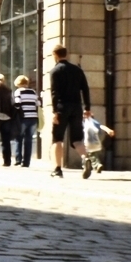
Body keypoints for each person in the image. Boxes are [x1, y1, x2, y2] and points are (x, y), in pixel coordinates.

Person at [48, 43, 93, 179]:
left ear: (55, 55)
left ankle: (57, 169)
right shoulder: (77, 70)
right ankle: (85, 158)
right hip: (76, 107)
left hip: (62, 107)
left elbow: (54, 93)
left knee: (57, 139)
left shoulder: (55, 71)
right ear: (66, 54)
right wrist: (87, 108)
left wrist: (55, 111)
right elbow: (85, 89)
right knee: (77, 139)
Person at [12, 75, 40, 168]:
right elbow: (38, 103)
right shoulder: (33, 92)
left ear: (18, 83)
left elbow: (17, 103)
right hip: (33, 118)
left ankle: (18, 160)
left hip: (23, 118)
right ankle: (26, 162)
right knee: (29, 140)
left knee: (18, 138)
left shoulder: (18, 92)